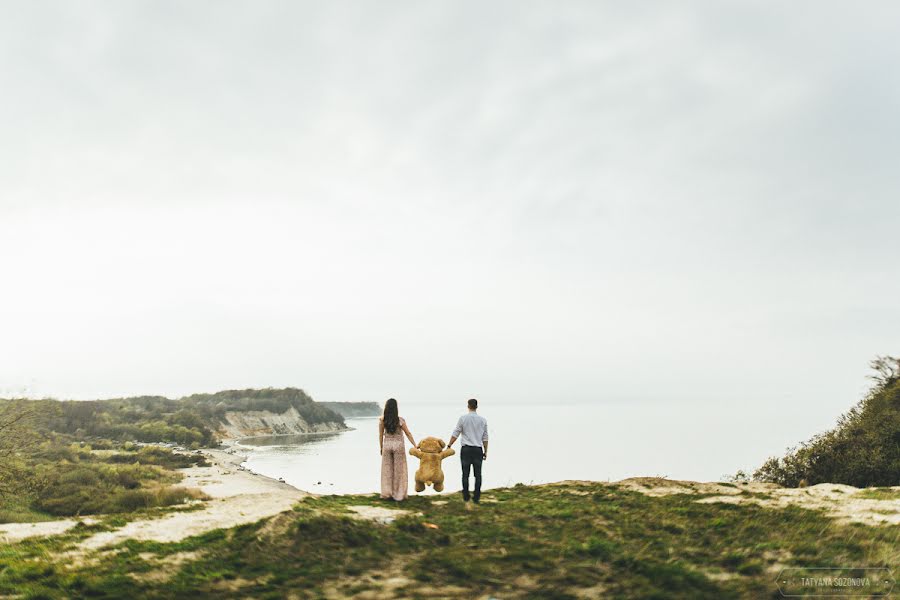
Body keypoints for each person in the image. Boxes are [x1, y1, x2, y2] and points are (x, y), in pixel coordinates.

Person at [447, 398, 489, 503]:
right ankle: (476, 497)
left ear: (468, 406)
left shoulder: (463, 418)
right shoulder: (483, 420)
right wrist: (485, 451)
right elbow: (485, 437)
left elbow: (456, 433)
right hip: (477, 449)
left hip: (466, 449)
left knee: (465, 474)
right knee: (478, 475)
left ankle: (466, 497)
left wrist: (449, 445)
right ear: (477, 406)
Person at [379, 398, 416, 501]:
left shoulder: (382, 420)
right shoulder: (400, 420)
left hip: (387, 445)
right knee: (399, 471)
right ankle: (398, 494)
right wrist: (415, 445)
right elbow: (408, 433)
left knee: (387, 470)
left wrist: (381, 447)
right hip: (399, 446)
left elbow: (381, 435)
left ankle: (387, 493)